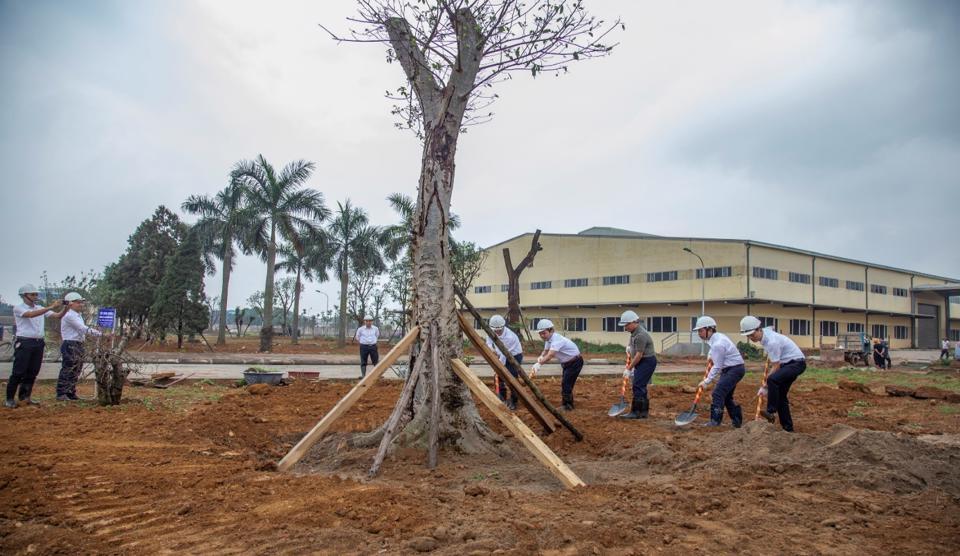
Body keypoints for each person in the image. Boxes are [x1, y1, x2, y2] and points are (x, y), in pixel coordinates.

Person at [740, 315, 806, 432]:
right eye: (748, 336)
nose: (751, 338)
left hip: (796, 364)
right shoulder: (766, 336)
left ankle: (771, 411)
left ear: (759, 329)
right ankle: (788, 428)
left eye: (752, 334)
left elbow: (776, 366)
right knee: (780, 397)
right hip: (788, 364)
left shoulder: (771, 341)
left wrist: (765, 386)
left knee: (772, 380)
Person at [7, 284, 64, 408]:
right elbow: (30, 315)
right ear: (24, 296)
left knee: (32, 371)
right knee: (18, 371)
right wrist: (51, 306)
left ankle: (25, 397)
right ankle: (9, 398)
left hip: (38, 343)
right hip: (25, 342)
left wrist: (67, 307)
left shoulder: (40, 308)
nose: (35, 296)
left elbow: (58, 316)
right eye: (33, 294)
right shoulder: (18, 308)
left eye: (36, 294)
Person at [693, 316, 745, 427]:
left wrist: (707, 381)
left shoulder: (718, 343)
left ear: (709, 329)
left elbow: (717, 366)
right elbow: (714, 353)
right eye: (698, 331)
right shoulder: (717, 338)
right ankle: (737, 420)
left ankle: (715, 421)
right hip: (733, 368)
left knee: (717, 393)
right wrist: (710, 355)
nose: (699, 333)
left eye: (701, 330)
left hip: (734, 369)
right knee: (726, 396)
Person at [58, 292, 103, 401]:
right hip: (70, 344)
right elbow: (82, 328)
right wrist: (100, 334)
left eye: (81, 302)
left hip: (78, 343)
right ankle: (62, 393)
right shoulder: (69, 315)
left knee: (76, 369)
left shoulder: (77, 315)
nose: (81, 304)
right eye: (78, 302)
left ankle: (70, 392)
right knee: (68, 368)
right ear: (70, 303)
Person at [531, 319, 582, 410]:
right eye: (540, 334)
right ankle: (567, 403)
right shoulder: (548, 339)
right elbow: (546, 351)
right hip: (567, 363)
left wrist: (539, 363)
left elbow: (550, 355)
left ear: (551, 330)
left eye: (544, 333)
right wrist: (541, 356)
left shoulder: (557, 339)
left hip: (574, 362)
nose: (542, 336)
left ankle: (568, 406)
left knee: (566, 383)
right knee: (566, 383)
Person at [616, 310, 657, 419]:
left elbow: (639, 355)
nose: (625, 328)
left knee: (637, 385)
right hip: (642, 362)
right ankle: (643, 412)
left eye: (626, 325)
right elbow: (633, 345)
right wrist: (629, 347)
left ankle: (636, 412)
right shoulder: (634, 333)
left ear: (634, 322)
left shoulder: (641, 335)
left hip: (647, 362)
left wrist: (629, 369)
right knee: (641, 385)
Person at [485, 314, 524, 410]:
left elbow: (505, 354)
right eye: (495, 330)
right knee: (499, 378)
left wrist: (498, 367)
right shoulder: (491, 331)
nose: (497, 332)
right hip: (501, 354)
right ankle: (502, 399)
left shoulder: (510, 337)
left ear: (503, 326)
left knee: (511, 378)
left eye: (500, 330)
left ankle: (514, 401)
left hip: (514, 356)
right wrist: (492, 350)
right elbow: (488, 342)